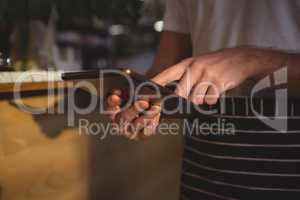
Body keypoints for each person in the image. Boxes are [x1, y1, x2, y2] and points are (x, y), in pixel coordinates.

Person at [107, 0, 300, 199]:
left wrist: (251, 60)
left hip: (287, 156)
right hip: (203, 161)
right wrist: (140, 105)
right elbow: (167, 62)